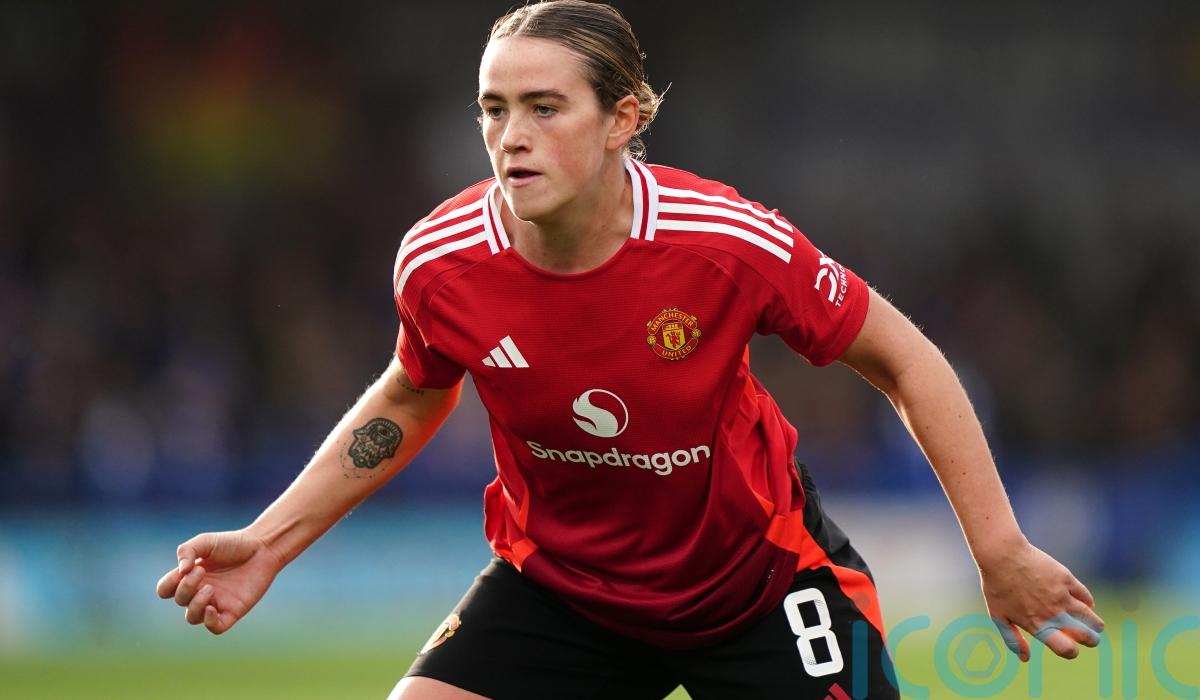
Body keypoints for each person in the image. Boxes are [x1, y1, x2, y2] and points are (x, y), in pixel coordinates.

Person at [156, 2, 1106, 697]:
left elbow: (906, 358)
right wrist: (267, 546)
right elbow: (413, 392)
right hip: (561, 594)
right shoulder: (442, 263)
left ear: (623, 120)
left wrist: (998, 548)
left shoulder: (725, 243)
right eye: (493, 109)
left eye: (544, 107)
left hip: (760, 590)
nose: (510, 138)